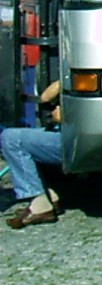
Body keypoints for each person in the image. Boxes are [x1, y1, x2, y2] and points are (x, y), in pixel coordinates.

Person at [2, 80, 64, 228]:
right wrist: (63, 81)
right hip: (67, 138)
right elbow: (44, 98)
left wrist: (65, 114)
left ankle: (41, 205)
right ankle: (50, 196)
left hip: (74, 142)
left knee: (11, 139)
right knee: (22, 140)